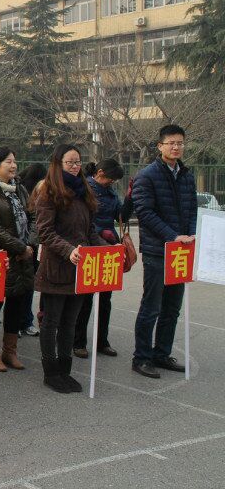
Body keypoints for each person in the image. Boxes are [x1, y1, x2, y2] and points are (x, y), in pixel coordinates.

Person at [32, 144, 109, 394]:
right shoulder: (49, 192)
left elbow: (89, 232)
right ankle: (51, 372)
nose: (75, 167)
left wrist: (109, 249)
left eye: (77, 162)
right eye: (70, 162)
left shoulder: (83, 192)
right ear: (58, 164)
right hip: (56, 269)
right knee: (51, 322)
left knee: (70, 322)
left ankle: (65, 370)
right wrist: (69, 250)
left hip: (80, 270)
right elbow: (45, 232)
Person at [131, 124, 197, 379]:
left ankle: (161, 354)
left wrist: (191, 235)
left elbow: (192, 209)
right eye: (171, 143)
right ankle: (141, 357)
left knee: (172, 308)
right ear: (160, 146)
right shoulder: (147, 176)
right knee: (152, 307)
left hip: (180, 252)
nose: (176, 147)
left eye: (180, 143)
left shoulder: (186, 175)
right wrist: (173, 236)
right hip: (158, 251)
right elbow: (144, 213)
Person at [0, 147, 36, 373]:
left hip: (23, 256)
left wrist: (29, 244)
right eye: (8, 162)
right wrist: (20, 247)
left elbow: (33, 216)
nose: (13, 166)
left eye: (14, 161)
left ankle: (10, 351)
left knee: (16, 304)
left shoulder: (20, 188)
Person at [74, 159, 125, 359]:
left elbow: (121, 214)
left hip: (109, 248)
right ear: (100, 172)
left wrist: (131, 198)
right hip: (90, 247)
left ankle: (102, 341)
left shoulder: (111, 192)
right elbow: (82, 221)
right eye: (111, 178)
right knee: (85, 299)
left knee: (105, 299)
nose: (112, 182)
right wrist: (100, 234)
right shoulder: (85, 189)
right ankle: (79, 342)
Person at [17, 163, 47, 338]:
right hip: (25, 246)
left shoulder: (32, 190)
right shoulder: (21, 192)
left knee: (28, 285)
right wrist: (28, 244)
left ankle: (25, 321)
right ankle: (20, 322)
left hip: (33, 245)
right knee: (22, 286)